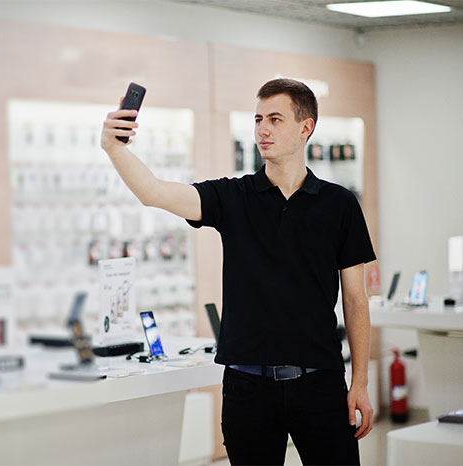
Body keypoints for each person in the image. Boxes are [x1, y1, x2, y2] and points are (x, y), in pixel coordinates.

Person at [100, 78, 375, 465]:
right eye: (258, 118)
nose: (263, 129)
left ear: (306, 127)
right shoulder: (232, 197)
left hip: (320, 383)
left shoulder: (340, 205)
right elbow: (155, 192)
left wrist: (359, 381)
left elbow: (355, 298)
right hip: (248, 388)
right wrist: (114, 148)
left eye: (275, 119)